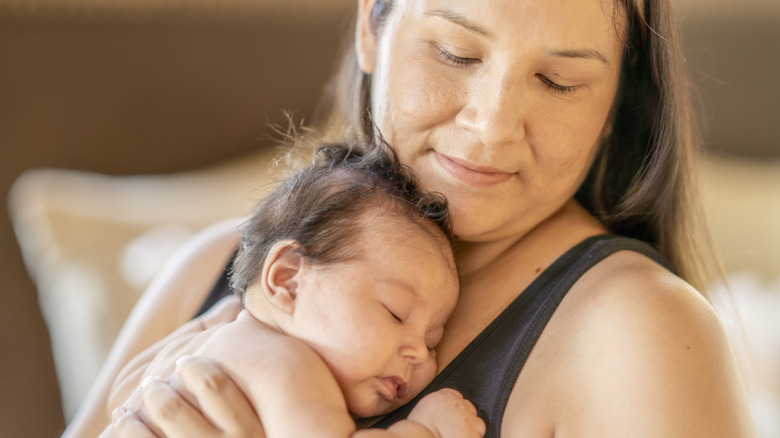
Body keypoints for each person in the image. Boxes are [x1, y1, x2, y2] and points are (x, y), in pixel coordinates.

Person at [64, 0, 757, 437]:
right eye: (456, 53)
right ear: (373, 26)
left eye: (557, 81)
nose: (490, 127)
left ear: (615, 100)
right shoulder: (212, 268)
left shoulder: (639, 334)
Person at [99, 143, 485, 437]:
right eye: (395, 313)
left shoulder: (194, 344)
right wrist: (423, 429)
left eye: (434, 340)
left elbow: (120, 399)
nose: (419, 353)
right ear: (287, 279)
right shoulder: (289, 367)